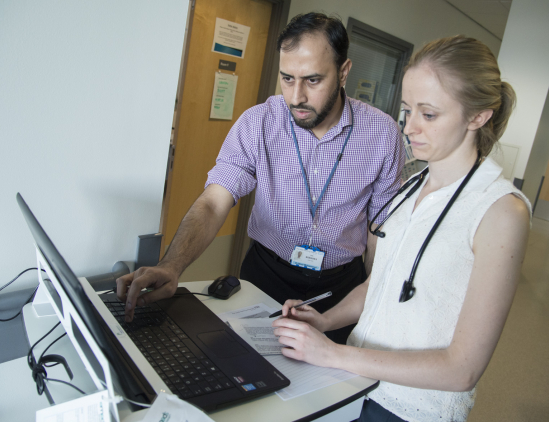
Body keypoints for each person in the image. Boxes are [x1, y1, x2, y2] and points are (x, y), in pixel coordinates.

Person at [272, 35, 531, 422]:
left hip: (411, 409)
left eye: (429, 114)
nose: (409, 128)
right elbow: (381, 284)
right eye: (407, 110)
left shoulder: (499, 211)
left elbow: (463, 369)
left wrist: (332, 352)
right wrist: (325, 321)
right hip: (357, 384)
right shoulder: (412, 187)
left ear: (478, 116)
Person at [116, 13, 404, 344]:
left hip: (340, 289)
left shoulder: (382, 134)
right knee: (248, 374)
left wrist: (374, 294)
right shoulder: (259, 123)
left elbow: (379, 229)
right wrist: (171, 265)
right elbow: (214, 201)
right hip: (266, 276)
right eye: (287, 79)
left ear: (343, 72)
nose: (296, 97)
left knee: (328, 389)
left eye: (312, 80)